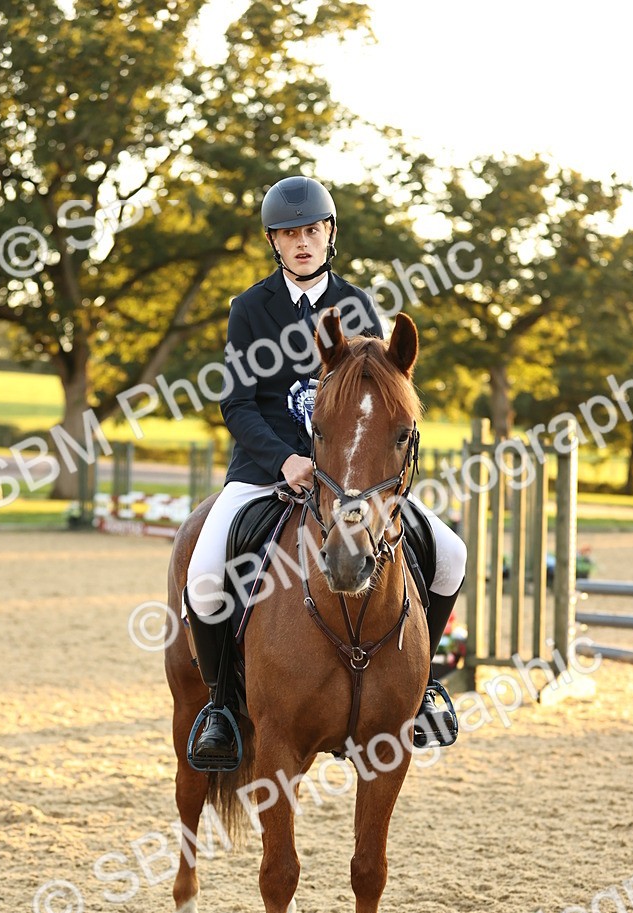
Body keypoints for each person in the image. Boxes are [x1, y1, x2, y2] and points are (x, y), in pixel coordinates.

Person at [184, 176, 467, 767]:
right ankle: (222, 704)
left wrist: (343, 467)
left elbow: (381, 395)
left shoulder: (358, 306)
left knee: (451, 552)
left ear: (329, 234)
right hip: (266, 470)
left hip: (352, 475)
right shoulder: (249, 309)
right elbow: (236, 403)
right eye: (290, 234)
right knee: (207, 574)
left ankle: (423, 685)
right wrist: (285, 459)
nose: (303, 242)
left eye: (312, 230)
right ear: (275, 243)